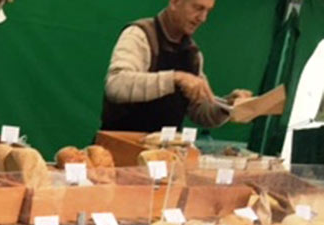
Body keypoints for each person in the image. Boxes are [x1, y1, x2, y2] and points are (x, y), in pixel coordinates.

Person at [101, 0, 252, 133]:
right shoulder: (139, 35)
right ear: (174, 2)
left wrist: (227, 106)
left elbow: (199, 111)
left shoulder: (193, 54)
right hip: (119, 151)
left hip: (164, 157)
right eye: (198, 8)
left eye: (208, 11)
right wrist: (174, 79)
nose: (203, 18)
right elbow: (116, 85)